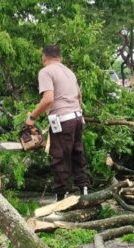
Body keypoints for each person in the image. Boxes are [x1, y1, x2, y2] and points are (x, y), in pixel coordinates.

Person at [25, 44, 89, 200]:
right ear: (59, 57)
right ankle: (84, 189)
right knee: (77, 153)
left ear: (44, 58)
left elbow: (48, 99)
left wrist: (32, 118)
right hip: (77, 117)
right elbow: (79, 97)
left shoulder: (45, 71)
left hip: (63, 120)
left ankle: (61, 196)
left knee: (59, 156)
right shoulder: (69, 72)